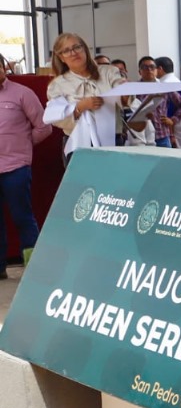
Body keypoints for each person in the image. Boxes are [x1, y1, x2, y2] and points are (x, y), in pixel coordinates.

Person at [0, 56, 52, 273]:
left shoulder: (22, 93)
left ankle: (33, 267)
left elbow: (44, 126)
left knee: (22, 216)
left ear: (4, 68)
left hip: (16, 166)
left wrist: (23, 144)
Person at [43, 33, 126, 157]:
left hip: (112, 139)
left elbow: (124, 100)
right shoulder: (57, 84)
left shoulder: (108, 72)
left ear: (85, 49)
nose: (73, 53)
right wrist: (79, 107)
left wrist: (127, 91)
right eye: (66, 51)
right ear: (61, 57)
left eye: (77, 47)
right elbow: (56, 117)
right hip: (78, 142)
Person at [133, 56, 181, 148]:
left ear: (156, 70)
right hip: (141, 136)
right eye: (145, 67)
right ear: (140, 71)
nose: (149, 70)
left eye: (152, 67)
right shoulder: (133, 89)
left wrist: (173, 120)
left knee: (166, 158)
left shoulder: (164, 87)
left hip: (161, 135)